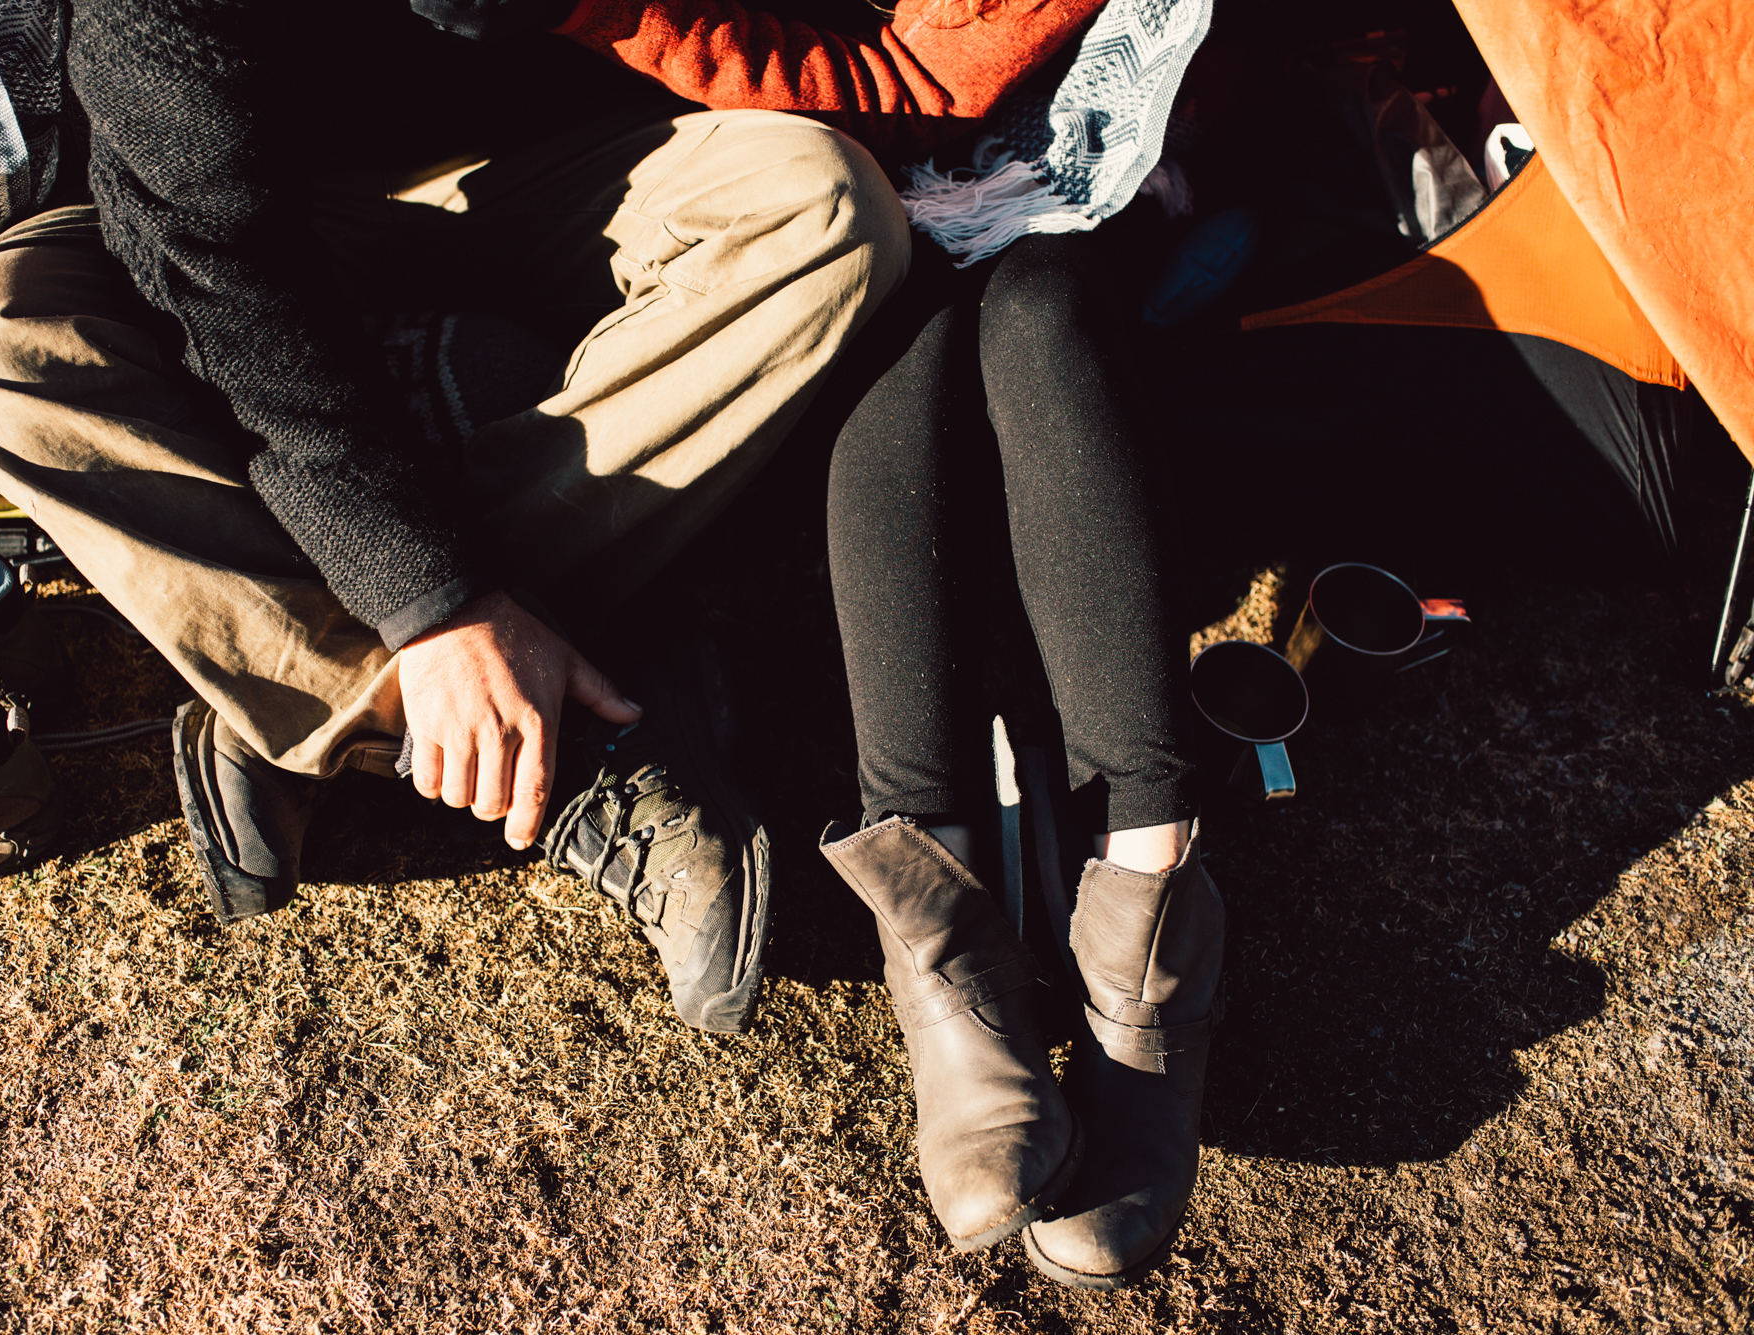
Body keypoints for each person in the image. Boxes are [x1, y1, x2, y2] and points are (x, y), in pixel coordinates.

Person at [0, 0, 910, 1035]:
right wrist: (436, 604)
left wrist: (430, 586)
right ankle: (516, 734)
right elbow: (221, 283)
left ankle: (295, 682)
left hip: (575, 153)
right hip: (253, 206)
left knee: (822, 207)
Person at [479, 0, 1224, 1285]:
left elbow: (955, 56)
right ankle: (934, 926)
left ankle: (1150, 918)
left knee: (1041, 311)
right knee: (891, 336)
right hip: (852, 157)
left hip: (1084, 118)